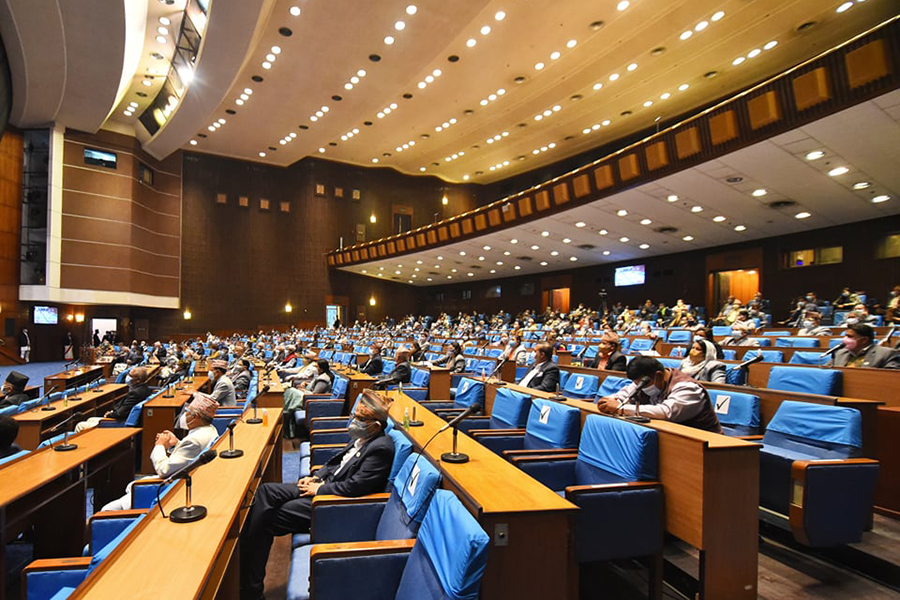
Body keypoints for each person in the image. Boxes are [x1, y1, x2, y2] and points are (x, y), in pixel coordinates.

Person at [239, 391, 395, 600]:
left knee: (267, 517)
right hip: (324, 486)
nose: (354, 421)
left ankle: (249, 583)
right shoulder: (363, 438)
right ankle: (248, 576)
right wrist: (315, 477)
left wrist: (320, 490)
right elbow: (336, 463)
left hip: (332, 504)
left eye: (360, 418)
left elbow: (356, 487)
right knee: (265, 493)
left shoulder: (381, 447)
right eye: (354, 416)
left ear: (375, 425)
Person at [101, 392, 220, 511]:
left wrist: (160, 446)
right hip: (184, 479)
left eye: (187, 412)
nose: (184, 415)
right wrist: (176, 444)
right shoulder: (209, 430)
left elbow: (164, 470)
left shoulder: (194, 440)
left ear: (195, 417)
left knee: (107, 510)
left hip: (170, 488)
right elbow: (189, 458)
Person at [597, 356, 723, 433]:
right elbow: (626, 393)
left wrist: (621, 408)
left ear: (658, 376)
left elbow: (666, 412)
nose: (639, 387)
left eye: (642, 384)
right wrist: (612, 400)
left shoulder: (688, 388)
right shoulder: (644, 381)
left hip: (708, 447)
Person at [75, 366, 152, 432]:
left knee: (80, 425)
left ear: (138, 380)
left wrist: (109, 415)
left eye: (130, 376)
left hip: (122, 422)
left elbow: (120, 414)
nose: (127, 377)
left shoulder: (135, 393)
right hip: (126, 418)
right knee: (90, 419)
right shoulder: (144, 388)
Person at [828, 323, 900, 369]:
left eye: (850, 336)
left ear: (864, 340)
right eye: (845, 336)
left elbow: (891, 378)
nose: (845, 339)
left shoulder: (886, 354)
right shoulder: (840, 353)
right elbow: (825, 372)